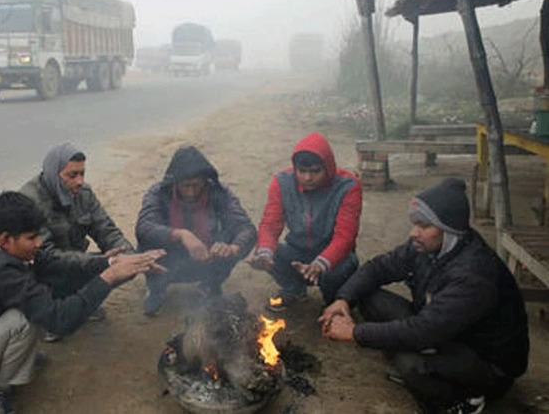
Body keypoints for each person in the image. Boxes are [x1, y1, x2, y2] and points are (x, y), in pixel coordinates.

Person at [0, 191, 165, 414]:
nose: (39, 243)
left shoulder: (4, 252)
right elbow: (60, 320)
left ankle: (13, 363)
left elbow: (61, 265)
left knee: (37, 298)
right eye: (31, 238)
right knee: (23, 319)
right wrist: (109, 277)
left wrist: (111, 262)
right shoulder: (0, 272)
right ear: (5, 240)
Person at [319, 178, 529, 414]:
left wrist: (354, 333)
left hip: (486, 363)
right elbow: (379, 267)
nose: (414, 233)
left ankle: (462, 401)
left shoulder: (472, 274)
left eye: (424, 226)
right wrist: (343, 299)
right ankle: (410, 352)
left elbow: (423, 331)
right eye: (415, 224)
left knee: (409, 365)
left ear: (449, 230)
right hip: (444, 330)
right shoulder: (424, 246)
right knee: (369, 296)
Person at [20, 142, 134, 336]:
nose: (80, 181)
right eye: (72, 175)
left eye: (82, 174)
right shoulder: (30, 201)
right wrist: (103, 262)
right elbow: (45, 257)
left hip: (75, 263)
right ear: (54, 173)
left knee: (128, 264)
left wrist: (132, 256)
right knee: (107, 265)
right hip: (44, 273)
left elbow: (107, 230)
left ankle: (81, 305)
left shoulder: (84, 195)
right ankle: (52, 316)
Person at [135, 145, 257, 316]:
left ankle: (210, 285)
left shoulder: (219, 192)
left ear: (205, 181)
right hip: (168, 258)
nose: (191, 192)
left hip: (208, 257)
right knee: (145, 244)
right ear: (175, 183)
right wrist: (182, 235)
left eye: (195, 185)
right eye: (186, 186)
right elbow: (144, 228)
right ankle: (157, 289)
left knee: (230, 241)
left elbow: (246, 228)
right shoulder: (158, 193)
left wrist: (232, 248)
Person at [248, 132, 362, 311]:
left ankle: (335, 302)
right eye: (302, 171)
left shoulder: (348, 187)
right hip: (298, 251)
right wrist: (264, 254)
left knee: (338, 272)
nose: (308, 178)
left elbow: (345, 236)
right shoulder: (282, 182)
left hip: (335, 255)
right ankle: (294, 290)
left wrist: (321, 263)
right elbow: (270, 224)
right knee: (273, 252)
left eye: (315, 171)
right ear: (295, 169)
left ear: (328, 167)